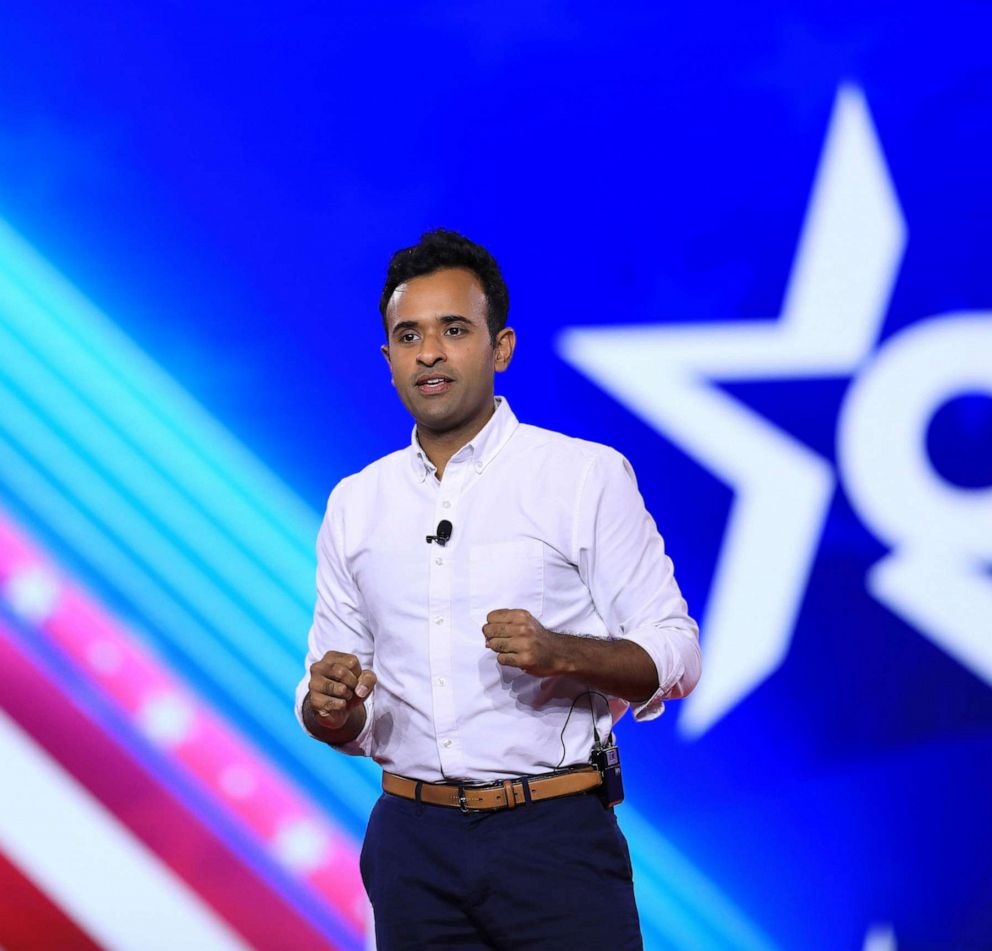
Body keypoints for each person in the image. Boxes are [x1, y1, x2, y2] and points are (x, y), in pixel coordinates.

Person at [296, 229, 701, 950]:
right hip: (410, 845)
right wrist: (328, 704)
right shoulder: (356, 504)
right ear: (388, 359)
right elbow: (341, 713)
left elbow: (676, 652)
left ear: (500, 347)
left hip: (553, 840)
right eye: (408, 334)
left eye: (454, 330)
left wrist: (560, 652)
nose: (429, 351)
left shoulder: (583, 477)